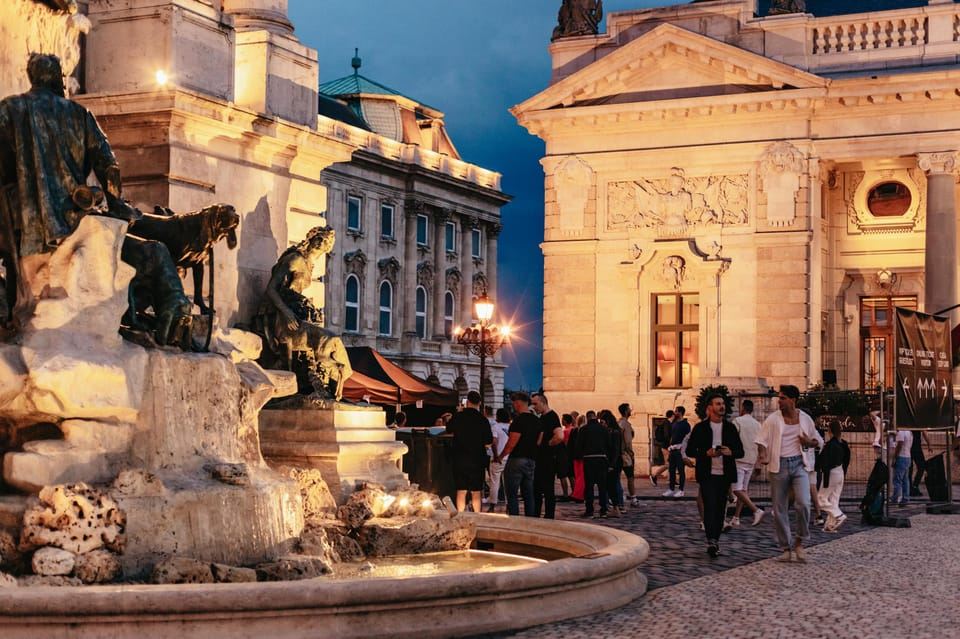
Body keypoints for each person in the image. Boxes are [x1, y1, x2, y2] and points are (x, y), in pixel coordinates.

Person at [757, 385, 824, 563]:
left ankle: (800, 542)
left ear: (793, 400)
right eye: (779, 398)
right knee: (779, 509)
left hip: (799, 464)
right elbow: (761, 440)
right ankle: (785, 547)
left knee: (803, 502)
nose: (779, 401)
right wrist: (763, 455)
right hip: (779, 465)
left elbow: (818, 441)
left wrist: (809, 442)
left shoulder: (805, 419)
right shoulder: (773, 419)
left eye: (783, 398)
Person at [684, 394, 744, 558]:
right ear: (710, 408)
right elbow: (690, 450)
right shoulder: (700, 428)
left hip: (724, 475)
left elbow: (740, 451)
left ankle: (715, 539)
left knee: (719, 509)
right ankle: (711, 540)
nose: (721, 407)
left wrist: (730, 452)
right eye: (718, 404)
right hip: (707, 474)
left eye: (723, 404)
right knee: (709, 507)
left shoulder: (730, 428)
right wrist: (706, 453)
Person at [445, 391, 493, 513]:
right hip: (477, 460)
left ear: (467, 402)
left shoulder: (458, 416)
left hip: (459, 458)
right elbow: (488, 441)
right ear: (480, 403)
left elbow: (448, 429)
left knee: (461, 490)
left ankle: (460, 516)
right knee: (476, 492)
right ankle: (477, 517)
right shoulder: (483, 420)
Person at [500, 392, 541, 517]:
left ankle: (514, 520)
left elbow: (512, 442)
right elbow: (539, 441)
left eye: (514, 403)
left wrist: (501, 456)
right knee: (528, 494)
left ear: (518, 403)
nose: (513, 406)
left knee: (512, 494)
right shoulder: (537, 421)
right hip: (531, 459)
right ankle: (530, 520)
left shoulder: (518, 421)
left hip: (517, 459)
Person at [729, 400, 765, 527]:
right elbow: (761, 444)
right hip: (751, 459)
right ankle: (736, 517)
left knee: (737, 489)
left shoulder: (737, 421)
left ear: (742, 408)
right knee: (743, 490)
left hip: (739, 458)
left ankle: (756, 510)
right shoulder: (758, 424)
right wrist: (759, 463)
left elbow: (732, 439)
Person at [532, 392, 563, 518]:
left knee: (547, 489)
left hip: (547, 459)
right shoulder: (542, 417)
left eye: (535, 403)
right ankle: (538, 515)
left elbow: (560, 436)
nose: (534, 406)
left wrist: (548, 444)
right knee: (538, 489)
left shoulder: (551, 416)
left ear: (543, 403)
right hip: (541, 459)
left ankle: (548, 516)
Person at [818, 420, 850, 531]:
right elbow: (847, 459)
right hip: (840, 471)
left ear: (830, 431)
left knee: (821, 498)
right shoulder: (844, 444)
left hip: (831, 472)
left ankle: (838, 515)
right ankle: (830, 525)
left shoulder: (830, 445)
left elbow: (824, 461)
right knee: (834, 499)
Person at [575, 414, 609, 519]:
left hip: (589, 459)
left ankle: (589, 510)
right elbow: (609, 444)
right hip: (601, 458)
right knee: (602, 486)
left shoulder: (584, 429)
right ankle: (603, 510)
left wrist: (579, 455)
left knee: (589, 486)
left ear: (588, 418)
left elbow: (579, 445)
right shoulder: (603, 429)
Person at [486, 408, 512, 513]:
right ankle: (508, 505)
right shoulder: (511, 427)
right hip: (509, 458)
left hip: (497, 459)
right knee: (508, 483)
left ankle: (492, 505)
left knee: (494, 482)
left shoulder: (495, 427)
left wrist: (496, 456)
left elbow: (494, 442)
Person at [601, 410, 624, 517]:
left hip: (613, 463)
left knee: (612, 485)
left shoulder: (614, 432)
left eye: (603, 421)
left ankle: (616, 508)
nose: (602, 424)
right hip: (612, 462)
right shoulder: (613, 431)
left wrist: (611, 465)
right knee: (610, 485)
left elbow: (615, 450)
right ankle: (615, 507)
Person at [664, 406, 690, 497]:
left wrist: (683, 449)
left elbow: (688, 438)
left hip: (680, 450)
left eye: (676, 411)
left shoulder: (685, 424)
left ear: (680, 412)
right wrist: (670, 447)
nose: (674, 412)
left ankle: (681, 490)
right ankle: (671, 489)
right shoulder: (674, 423)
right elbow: (672, 436)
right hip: (672, 450)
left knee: (681, 470)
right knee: (671, 470)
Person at [618, 403, 638, 505]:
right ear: (626, 411)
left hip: (617, 454)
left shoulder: (618, 422)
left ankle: (619, 496)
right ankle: (633, 498)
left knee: (617, 477)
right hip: (625, 455)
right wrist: (631, 454)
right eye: (629, 409)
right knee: (630, 477)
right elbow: (628, 441)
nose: (631, 410)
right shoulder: (625, 424)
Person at [648, 410, 673, 486]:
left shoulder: (667, 423)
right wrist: (670, 444)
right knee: (668, 464)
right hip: (666, 446)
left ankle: (671, 480)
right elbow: (666, 435)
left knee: (670, 463)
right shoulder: (667, 423)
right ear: (672, 415)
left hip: (666, 446)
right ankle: (654, 475)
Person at [892, 428, 913, 506]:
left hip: (901, 456)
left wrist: (895, 457)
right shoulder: (909, 432)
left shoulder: (901, 432)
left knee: (897, 479)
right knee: (905, 480)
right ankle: (905, 498)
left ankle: (895, 498)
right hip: (908, 456)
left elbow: (900, 444)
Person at [556, 413, 574, 500]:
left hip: (564, 455)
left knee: (563, 475)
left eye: (563, 419)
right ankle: (574, 492)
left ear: (565, 421)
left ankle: (565, 494)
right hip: (572, 455)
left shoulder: (565, 432)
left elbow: (563, 442)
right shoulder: (573, 429)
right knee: (571, 475)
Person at [569, 414, 586, 502]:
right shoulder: (586, 430)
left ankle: (578, 494)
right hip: (584, 456)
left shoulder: (575, 430)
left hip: (576, 456)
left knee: (578, 476)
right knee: (582, 476)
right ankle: (579, 494)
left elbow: (570, 445)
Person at [910, 429, 931, 496]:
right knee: (914, 468)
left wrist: (929, 444)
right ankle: (913, 487)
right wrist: (929, 444)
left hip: (914, 447)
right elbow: (924, 432)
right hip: (913, 447)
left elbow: (924, 431)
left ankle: (913, 486)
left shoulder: (916, 421)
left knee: (920, 467)